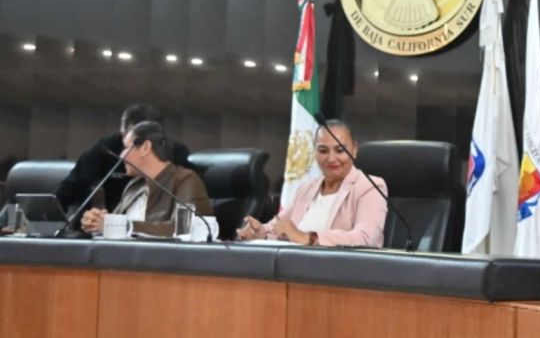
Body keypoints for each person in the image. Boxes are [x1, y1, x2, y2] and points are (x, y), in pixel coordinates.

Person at [236, 120, 386, 247]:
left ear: (354, 150)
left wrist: (309, 238)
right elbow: (281, 224)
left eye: (340, 150)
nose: (331, 158)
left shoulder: (370, 187)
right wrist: (261, 232)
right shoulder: (307, 188)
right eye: (323, 150)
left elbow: (366, 238)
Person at [55, 104, 192, 217]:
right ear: (123, 134)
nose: (122, 156)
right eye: (129, 143)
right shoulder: (106, 149)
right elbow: (72, 186)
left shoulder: (181, 166)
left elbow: (185, 220)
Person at [80, 121, 211, 238]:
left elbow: (184, 229)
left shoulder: (186, 180)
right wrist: (97, 222)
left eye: (126, 147)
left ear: (145, 148)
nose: (121, 155)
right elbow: (112, 226)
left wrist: (125, 226)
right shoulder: (134, 185)